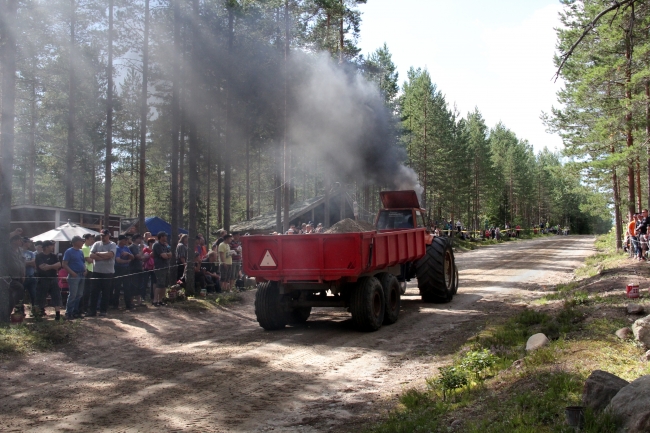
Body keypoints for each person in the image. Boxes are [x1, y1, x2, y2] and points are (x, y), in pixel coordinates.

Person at [88, 229, 117, 317]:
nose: (102, 237)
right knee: (94, 292)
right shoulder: (96, 244)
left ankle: (103, 310)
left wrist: (98, 254)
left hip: (108, 272)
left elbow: (111, 255)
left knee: (106, 292)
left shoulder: (112, 244)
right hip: (96, 271)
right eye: (101, 235)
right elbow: (91, 255)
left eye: (104, 235)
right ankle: (92, 311)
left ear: (108, 236)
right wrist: (103, 256)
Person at [35, 240, 62, 320]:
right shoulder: (39, 256)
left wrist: (49, 266)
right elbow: (42, 267)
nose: (53, 247)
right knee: (40, 297)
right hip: (43, 279)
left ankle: (57, 314)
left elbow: (59, 264)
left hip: (53, 278)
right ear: (46, 247)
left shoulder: (54, 256)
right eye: (51, 246)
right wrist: (53, 266)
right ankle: (38, 314)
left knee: (56, 296)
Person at [62, 236, 87, 320]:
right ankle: (69, 312)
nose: (82, 243)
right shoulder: (69, 251)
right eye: (81, 241)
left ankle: (76, 312)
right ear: (76, 242)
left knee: (79, 294)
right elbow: (64, 264)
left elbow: (83, 262)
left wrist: (85, 269)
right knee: (73, 294)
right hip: (74, 275)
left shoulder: (81, 252)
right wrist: (71, 272)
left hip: (81, 274)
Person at [113, 234, 134, 310]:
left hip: (126, 269)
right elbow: (118, 260)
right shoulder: (116, 248)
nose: (126, 241)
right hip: (118, 269)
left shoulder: (126, 248)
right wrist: (127, 261)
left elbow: (133, 257)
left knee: (127, 287)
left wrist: (128, 254)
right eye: (125, 240)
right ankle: (115, 305)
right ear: (121, 240)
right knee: (117, 287)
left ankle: (128, 305)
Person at [6, 235, 26, 319]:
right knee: (14, 294)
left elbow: (22, 263)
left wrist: (23, 274)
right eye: (19, 240)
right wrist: (14, 233)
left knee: (17, 294)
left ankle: (17, 311)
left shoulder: (20, 250)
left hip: (19, 276)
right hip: (9, 278)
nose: (21, 242)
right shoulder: (7, 249)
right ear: (14, 241)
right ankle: (7, 314)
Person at [152, 231, 172, 306]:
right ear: (161, 237)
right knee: (159, 284)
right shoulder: (157, 245)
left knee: (164, 285)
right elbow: (164, 256)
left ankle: (160, 300)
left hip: (166, 266)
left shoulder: (164, 245)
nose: (166, 237)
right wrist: (167, 255)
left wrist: (167, 255)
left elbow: (170, 254)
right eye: (165, 236)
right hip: (159, 267)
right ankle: (155, 300)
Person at [129, 234, 147, 306]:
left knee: (140, 285)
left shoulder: (139, 247)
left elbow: (143, 257)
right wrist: (142, 250)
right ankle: (131, 301)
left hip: (140, 267)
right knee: (133, 285)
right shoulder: (132, 247)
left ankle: (139, 301)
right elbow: (139, 256)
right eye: (139, 238)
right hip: (133, 268)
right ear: (135, 239)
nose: (140, 240)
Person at [80, 233, 96, 315]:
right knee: (86, 290)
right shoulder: (84, 248)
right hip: (88, 271)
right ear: (85, 239)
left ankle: (86, 307)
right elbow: (88, 259)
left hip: (91, 270)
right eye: (90, 239)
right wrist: (97, 259)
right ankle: (84, 308)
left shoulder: (89, 247)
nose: (92, 241)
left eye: (92, 239)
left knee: (88, 290)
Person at [21, 238, 38, 316]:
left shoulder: (31, 253)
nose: (30, 244)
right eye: (28, 242)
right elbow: (20, 263)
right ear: (24, 242)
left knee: (34, 295)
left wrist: (25, 263)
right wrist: (28, 263)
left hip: (31, 276)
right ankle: (21, 311)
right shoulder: (19, 251)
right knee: (20, 296)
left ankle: (34, 311)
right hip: (22, 277)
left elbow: (34, 263)